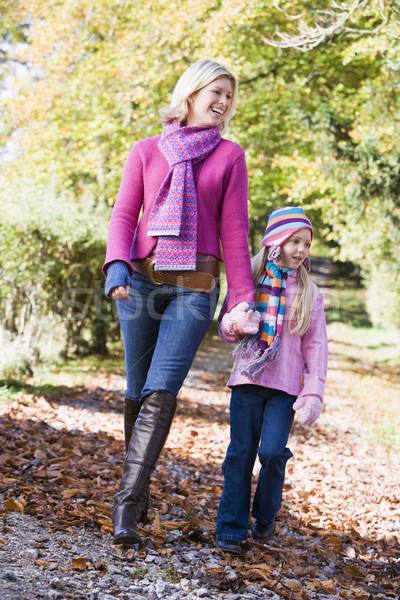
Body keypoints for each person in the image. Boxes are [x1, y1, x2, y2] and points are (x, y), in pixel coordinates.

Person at [103, 60, 258, 546]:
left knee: (162, 386)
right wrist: (116, 266)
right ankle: (139, 487)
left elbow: (235, 231)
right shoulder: (147, 151)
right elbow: (126, 215)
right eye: (217, 92)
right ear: (191, 93)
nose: (224, 102)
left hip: (195, 286)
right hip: (142, 284)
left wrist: (241, 298)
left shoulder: (230, 156)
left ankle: (125, 505)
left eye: (229, 96)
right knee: (136, 389)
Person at [215, 206, 328, 556]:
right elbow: (225, 326)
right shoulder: (247, 282)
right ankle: (231, 530)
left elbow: (317, 346)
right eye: (295, 240)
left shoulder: (311, 294)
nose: (301, 250)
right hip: (249, 378)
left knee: (272, 452)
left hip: (285, 389)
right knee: (240, 453)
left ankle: (265, 514)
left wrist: (313, 392)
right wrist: (236, 324)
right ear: (275, 241)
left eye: (306, 243)